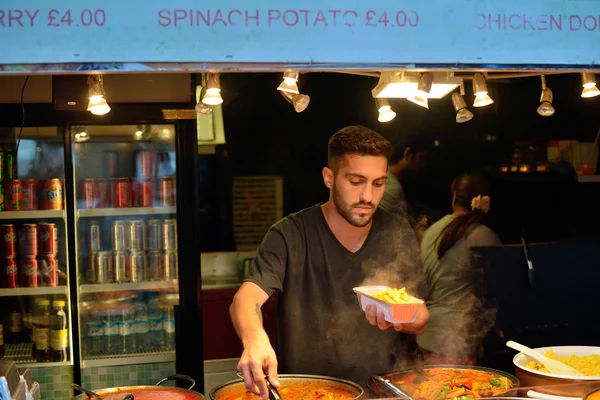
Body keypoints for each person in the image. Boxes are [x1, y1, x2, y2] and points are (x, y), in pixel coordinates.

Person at [230, 125, 429, 399]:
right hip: (305, 393)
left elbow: (421, 317)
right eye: (356, 182)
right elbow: (246, 297)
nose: (368, 197)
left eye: (378, 183)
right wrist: (254, 338)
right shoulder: (290, 234)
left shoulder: (397, 232)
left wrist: (403, 319)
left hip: (381, 392)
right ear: (329, 178)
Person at [417, 172, 500, 365]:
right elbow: (495, 291)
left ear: (454, 197)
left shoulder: (431, 230)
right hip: (458, 338)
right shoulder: (484, 235)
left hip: (428, 333)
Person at [378, 136, 429, 218]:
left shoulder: (380, 177)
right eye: (421, 158)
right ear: (408, 154)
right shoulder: (391, 186)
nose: (423, 165)